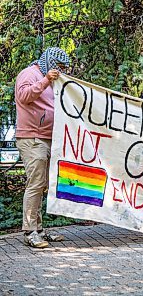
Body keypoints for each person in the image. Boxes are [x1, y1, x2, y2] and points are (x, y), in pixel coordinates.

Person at [15, 47, 70, 248]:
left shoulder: (51, 78)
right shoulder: (29, 74)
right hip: (32, 138)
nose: (61, 70)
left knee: (42, 184)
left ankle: (38, 229)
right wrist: (46, 79)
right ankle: (29, 231)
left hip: (47, 138)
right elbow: (24, 96)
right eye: (59, 66)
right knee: (35, 183)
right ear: (49, 62)